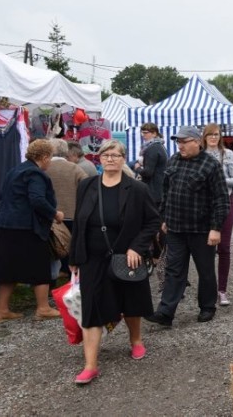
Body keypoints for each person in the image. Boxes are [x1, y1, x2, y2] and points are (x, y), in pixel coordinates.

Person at [68, 139, 160, 384]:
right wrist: (74, 256)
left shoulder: (137, 189)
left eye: (115, 155)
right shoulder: (87, 186)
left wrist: (136, 248)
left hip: (125, 255)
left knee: (130, 301)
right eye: (106, 155)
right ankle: (90, 365)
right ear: (98, 158)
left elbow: (152, 221)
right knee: (92, 308)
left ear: (123, 159)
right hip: (93, 258)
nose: (110, 159)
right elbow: (79, 222)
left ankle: (136, 340)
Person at [146, 126, 229, 326]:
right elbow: (166, 191)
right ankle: (165, 313)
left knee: (205, 270)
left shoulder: (211, 165)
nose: (180, 146)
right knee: (174, 270)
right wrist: (165, 218)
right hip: (175, 228)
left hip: (201, 230)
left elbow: (221, 199)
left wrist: (216, 228)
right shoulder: (173, 160)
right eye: (178, 142)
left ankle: (208, 307)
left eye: (184, 142)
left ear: (196, 142)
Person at [0, 139, 63, 323]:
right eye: (50, 158)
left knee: (8, 268)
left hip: (6, 225)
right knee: (40, 265)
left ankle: (1, 310)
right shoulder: (35, 174)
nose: (50, 162)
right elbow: (37, 200)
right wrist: (55, 213)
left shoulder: (15, 170)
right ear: (43, 157)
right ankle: (43, 308)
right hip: (27, 227)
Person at [202, 124, 233, 306]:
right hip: (203, 206)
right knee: (206, 250)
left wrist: (218, 179)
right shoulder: (199, 156)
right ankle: (209, 290)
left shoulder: (228, 154)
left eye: (216, 134)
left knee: (224, 248)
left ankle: (222, 290)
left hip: (225, 202)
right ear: (204, 136)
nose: (213, 137)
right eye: (210, 134)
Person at [46, 138, 88, 278]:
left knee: (51, 247)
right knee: (69, 244)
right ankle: (69, 272)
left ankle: (51, 276)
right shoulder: (75, 168)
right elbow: (87, 187)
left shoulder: (44, 167)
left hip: (49, 214)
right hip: (72, 213)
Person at [133, 122, 167, 207]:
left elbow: (148, 173)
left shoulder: (152, 148)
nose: (142, 135)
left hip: (153, 191)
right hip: (159, 189)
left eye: (145, 133)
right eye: (142, 132)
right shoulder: (160, 145)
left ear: (154, 133)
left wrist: (137, 168)